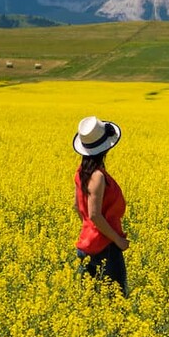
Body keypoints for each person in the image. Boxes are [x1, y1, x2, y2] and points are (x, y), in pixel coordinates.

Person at [73, 115, 129, 295]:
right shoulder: (97, 176)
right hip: (104, 247)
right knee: (117, 300)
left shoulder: (81, 172)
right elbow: (95, 214)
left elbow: (77, 206)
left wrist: (89, 227)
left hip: (86, 244)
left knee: (90, 300)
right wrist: (117, 240)